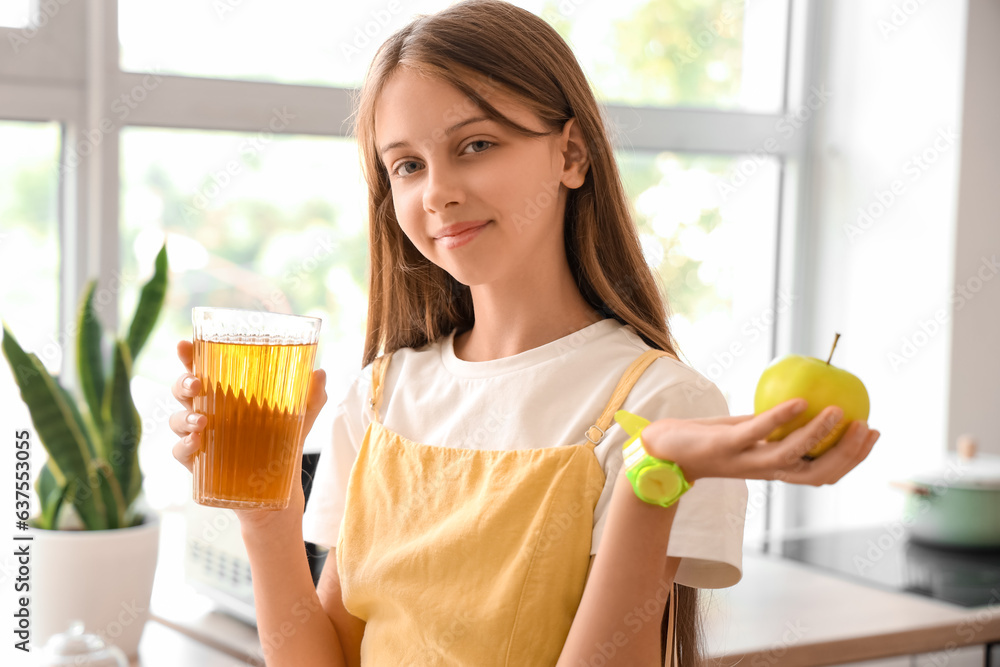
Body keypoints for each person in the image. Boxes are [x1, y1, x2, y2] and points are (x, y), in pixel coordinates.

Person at [168, 1, 880, 665]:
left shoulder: (663, 403)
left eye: (475, 144)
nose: (437, 190)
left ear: (570, 155)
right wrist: (266, 513)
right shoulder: (381, 396)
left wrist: (658, 470)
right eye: (407, 165)